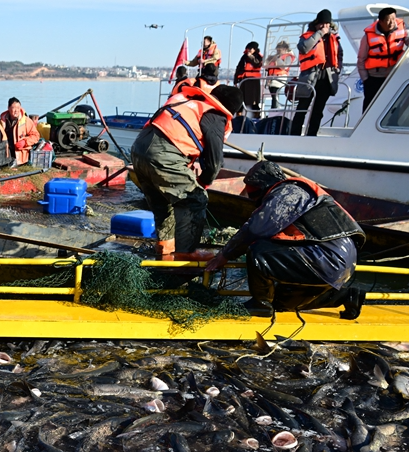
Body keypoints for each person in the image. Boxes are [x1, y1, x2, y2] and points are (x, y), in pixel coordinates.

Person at [205, 161, 366, 319]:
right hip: (341, 263)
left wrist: (224, 255)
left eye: (253, 194)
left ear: (264, 185)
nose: (254, 201)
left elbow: (255, 229)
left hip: (326, 256)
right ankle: (347, 296)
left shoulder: (288, 191)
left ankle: (260, 304)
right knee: (280, 302)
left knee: (258, 251)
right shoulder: (299, 192)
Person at [131, 85, 243, 257]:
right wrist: (203, 183)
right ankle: (185, 260)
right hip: (162, 154)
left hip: (139, 149)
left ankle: (164, 252)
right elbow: (214, 163)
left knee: (164, 205)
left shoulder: (187, 102)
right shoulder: (215, 115)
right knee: (195, 201)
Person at [291, 9, 343, 136]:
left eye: (327, 24)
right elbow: (303, 48)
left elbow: (340, 54)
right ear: (317, 23)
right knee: (302, 108)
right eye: (322, 23)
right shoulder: (308, 36)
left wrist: (338, 69)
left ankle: (311, 135)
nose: (325, 26)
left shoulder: (334, 38)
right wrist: (319, 33)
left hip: (327, 77)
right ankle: (294, 134)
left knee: (318, 110)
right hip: (310, 76)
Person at [358, 7, 409, 110]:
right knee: (370, 107)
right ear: (381, 21)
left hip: (394, 74)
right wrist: (365, 79)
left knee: (393, 107)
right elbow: (361, 59)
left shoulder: (402, 29)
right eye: (388, 20)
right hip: (374, 77)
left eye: (393, 19)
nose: (392, 22)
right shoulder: (367, 37)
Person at [0, 97, 40, 167]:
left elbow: (36, 136)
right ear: (8, 108)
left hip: (20, 152)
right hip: (6, 149)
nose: (16, 110)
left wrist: (25, 141)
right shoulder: (2, 121)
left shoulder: (26, 120)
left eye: (18, 108)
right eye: (14, 108)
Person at [234, 41, 263, 118]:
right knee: (241, 97)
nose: (249, 50)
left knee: (254, 99)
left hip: (253, 81)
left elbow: (257, 63)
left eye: (251, 49)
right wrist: (235, 80)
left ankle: (256, 114)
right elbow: (238, 68)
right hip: (244, 80)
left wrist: (251, 57)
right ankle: (239, 114)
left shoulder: (258, 56)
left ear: (255, 49)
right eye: (248, 49)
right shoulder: (244, 57)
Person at [265, 41, 296, 108]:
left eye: (279, 50)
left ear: (285, 49)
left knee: (276, 95)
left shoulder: (288, 56)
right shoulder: (276, 56)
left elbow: (285, 66)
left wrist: (278, 60)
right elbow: (266, 67)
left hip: (279, 78)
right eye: (277, 50)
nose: (278, 51)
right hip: (271, 79)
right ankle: (274, 109)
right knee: (273, 96)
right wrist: (269, 60)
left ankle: (275, 109)